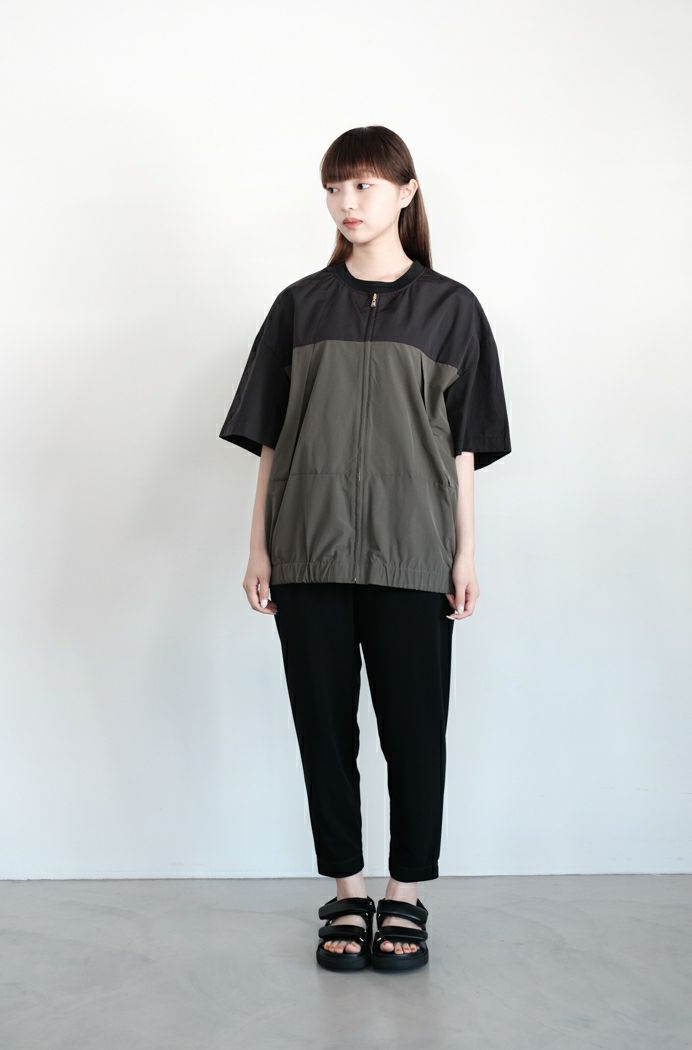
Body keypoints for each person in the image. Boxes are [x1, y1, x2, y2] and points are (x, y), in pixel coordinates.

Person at [218, 125, 512, 972]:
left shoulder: (452, 309)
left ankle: (405, 894)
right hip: (307, 548)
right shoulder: (299, 306)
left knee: (415, 733)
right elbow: (271, 439)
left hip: (413, 549)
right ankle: (347, 891)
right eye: (335, 187)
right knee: (324, 730)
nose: (347, 203)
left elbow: (464, 447)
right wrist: (258, 549)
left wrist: (465, 553)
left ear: (406, 191)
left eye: (364, 186)